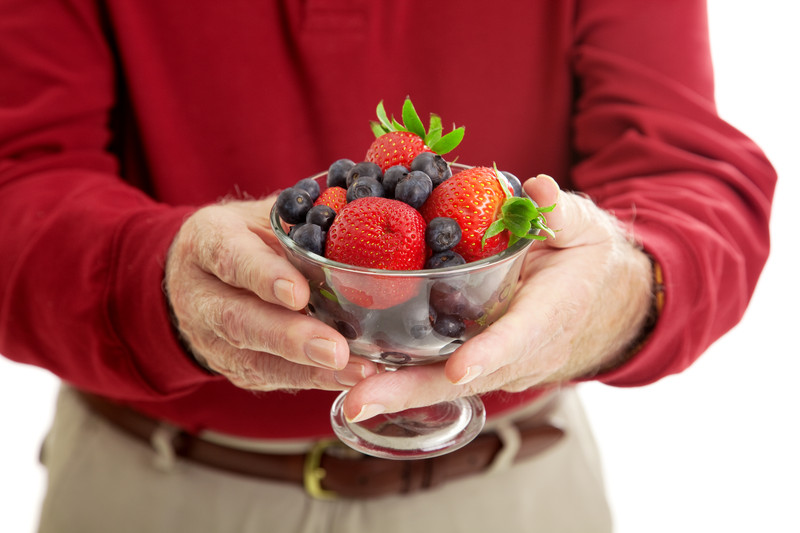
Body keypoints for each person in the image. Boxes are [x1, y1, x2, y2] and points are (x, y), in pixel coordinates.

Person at [0, 1, 776, 532]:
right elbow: (17, 179)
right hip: (148, 496)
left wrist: (623, 285)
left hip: (515, 498)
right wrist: (159, 277)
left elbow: (692, 175)